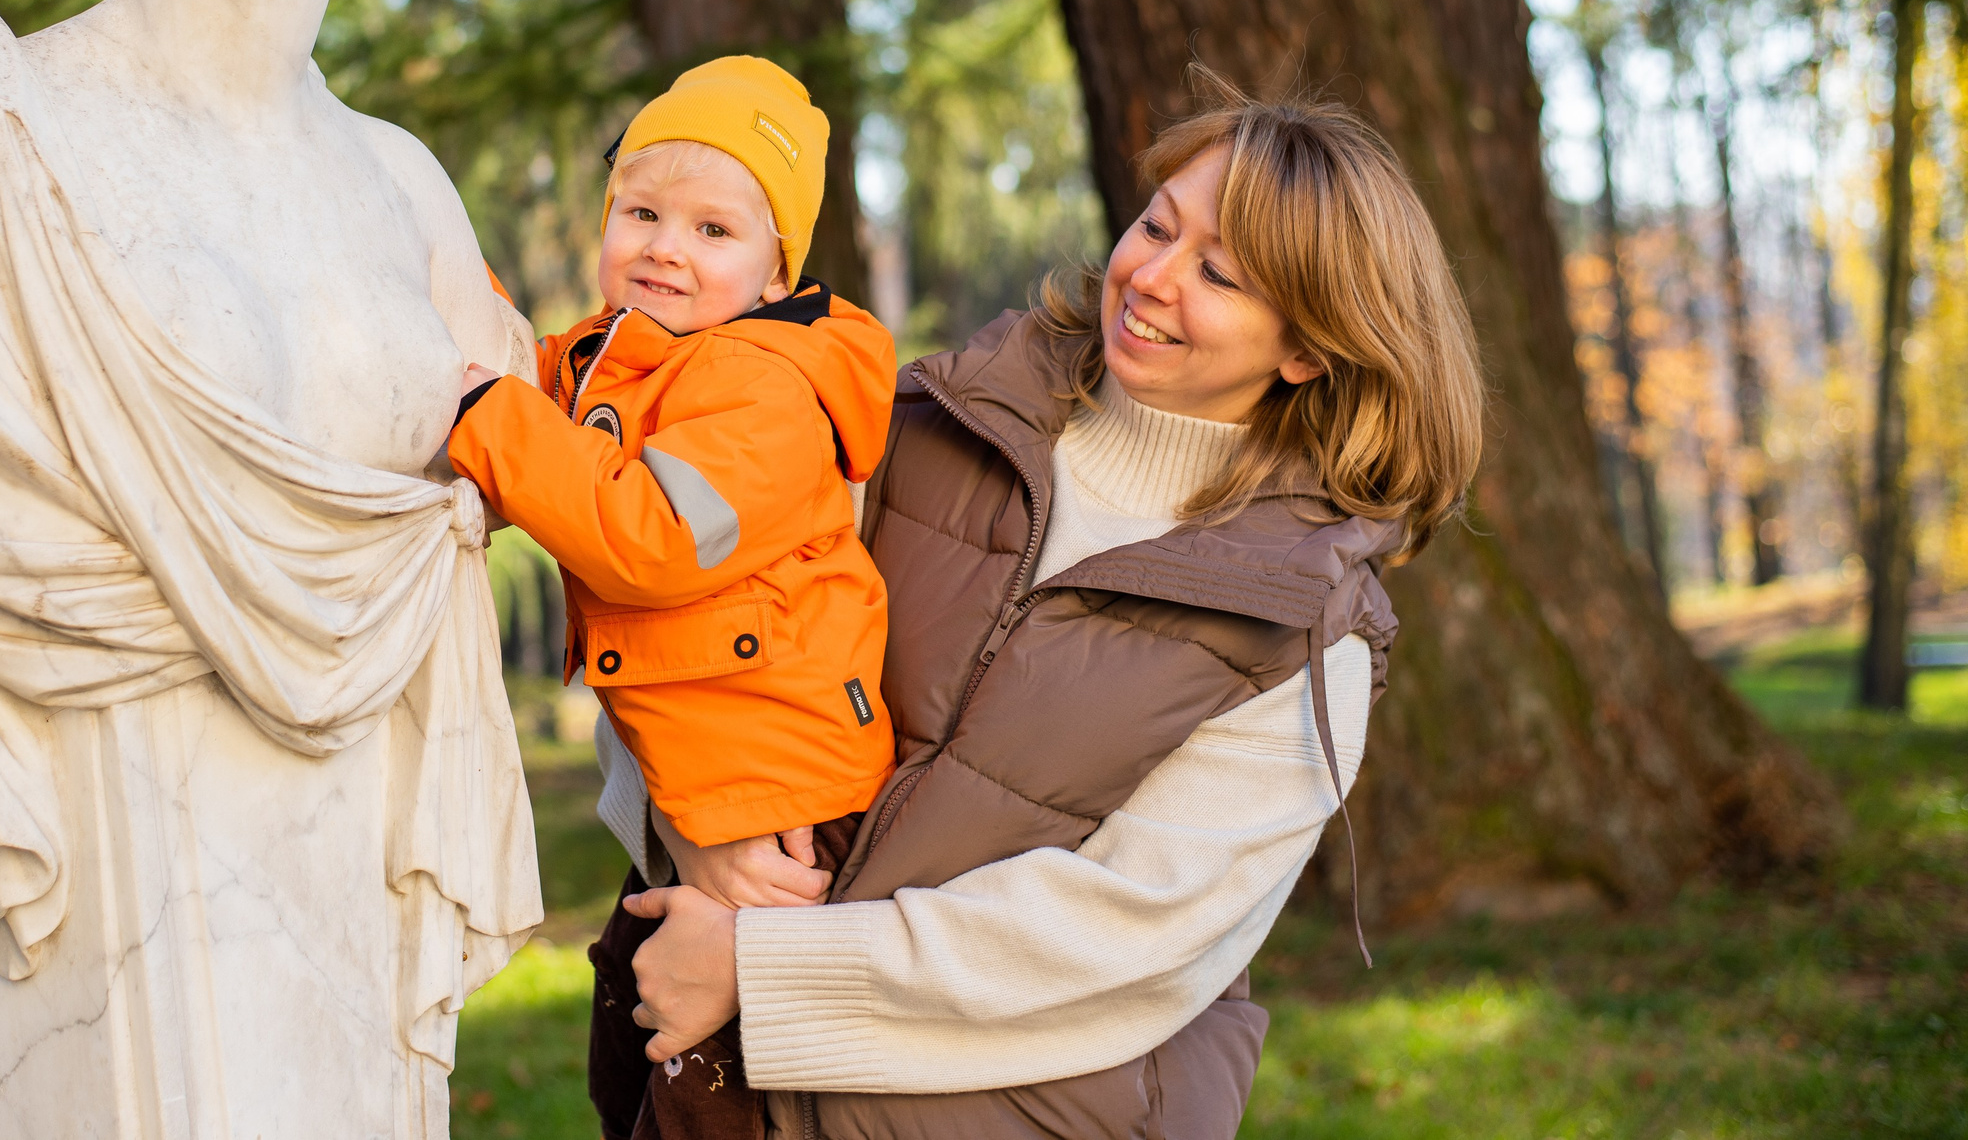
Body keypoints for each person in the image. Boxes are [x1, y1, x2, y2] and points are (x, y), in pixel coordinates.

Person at [596, 77, 1485, 1139]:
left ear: (1306, 346)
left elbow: (1130, 930)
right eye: (1155, 224)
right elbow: (670, 602)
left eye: (1219, 272)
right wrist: (692, 827)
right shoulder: (904, 427)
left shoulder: (1304, 624)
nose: (1150, 277)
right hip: (713, 1086)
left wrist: (761, 968)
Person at [446, 57, 900, 1130]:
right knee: (632, 1056)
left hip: (783, 800)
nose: (664, 246)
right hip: (699, 791)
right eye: (642, 211)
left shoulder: (766, 390)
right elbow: (513, 363)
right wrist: (445, 282)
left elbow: (641, 535)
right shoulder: (629, 359)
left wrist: (486, 415)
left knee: (720, 1096)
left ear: (774, 268)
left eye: (712, 230)